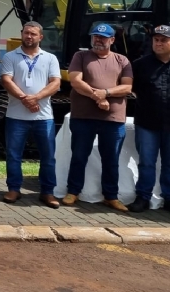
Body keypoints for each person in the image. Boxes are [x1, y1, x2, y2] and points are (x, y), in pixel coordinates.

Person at [63, 23, 133, 211]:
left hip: (113, 120)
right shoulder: (80, 56)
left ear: (112, 40)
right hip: (83, 117)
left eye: (103, 37)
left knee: (111, 159)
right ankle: (73, 191)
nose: (98, 40)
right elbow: (76, 81)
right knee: (79, 155)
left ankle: (111, 196)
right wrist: (98, 97)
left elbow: (127, 87)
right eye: (95, 36)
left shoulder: (122, 60)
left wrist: (106, 93)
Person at [0, 21, 61, 208]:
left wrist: (35, 98)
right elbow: (6, 80)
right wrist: (25, 99)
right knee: (13, 155)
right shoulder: (10, 56)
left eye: (33, 34)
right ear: (22, 33)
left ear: (40, 37)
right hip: (16, 117)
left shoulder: (50, 58)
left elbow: (55, 83)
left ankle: (47, 192)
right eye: (26, 33)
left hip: (44, 117)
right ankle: (14, 189)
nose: (29, 36)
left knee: (48, 157)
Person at [129, 25, 170, 214]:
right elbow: (131, 89)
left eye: (163, 40)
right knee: (146, 162)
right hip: (147, 123)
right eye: (156, 39)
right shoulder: (140, 65)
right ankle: (143, 197)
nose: (158, 43)